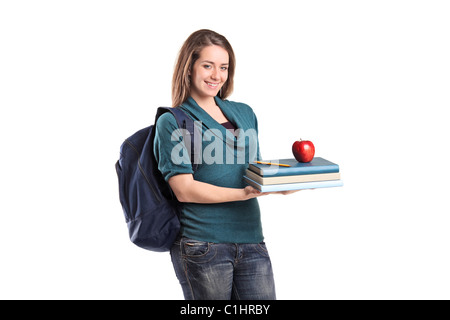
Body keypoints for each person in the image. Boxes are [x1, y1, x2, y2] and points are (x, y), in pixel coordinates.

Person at [153, 29, 295, 300]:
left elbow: (253, 170)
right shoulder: (173, 121)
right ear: (189, 68)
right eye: (207, 65)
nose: (216, 75)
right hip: (202, 244)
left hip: (252, 239)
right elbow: (184, 189)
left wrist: (285, 182)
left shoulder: (245, 112)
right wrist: (241, 194)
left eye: (223, 67)